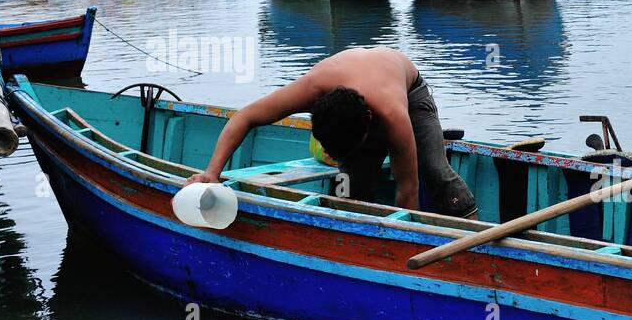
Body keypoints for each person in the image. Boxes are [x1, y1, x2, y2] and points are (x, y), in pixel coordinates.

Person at [186, 47, 476, 218]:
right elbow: (245, 117)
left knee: (435, 171)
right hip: (356, 101)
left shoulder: (393, 116)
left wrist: (406, 243)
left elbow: (407, 191)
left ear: (369, 125)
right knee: (351, 186)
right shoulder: (311, 89)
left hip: (409, 93)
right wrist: (212, 172)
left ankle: (471, 222)